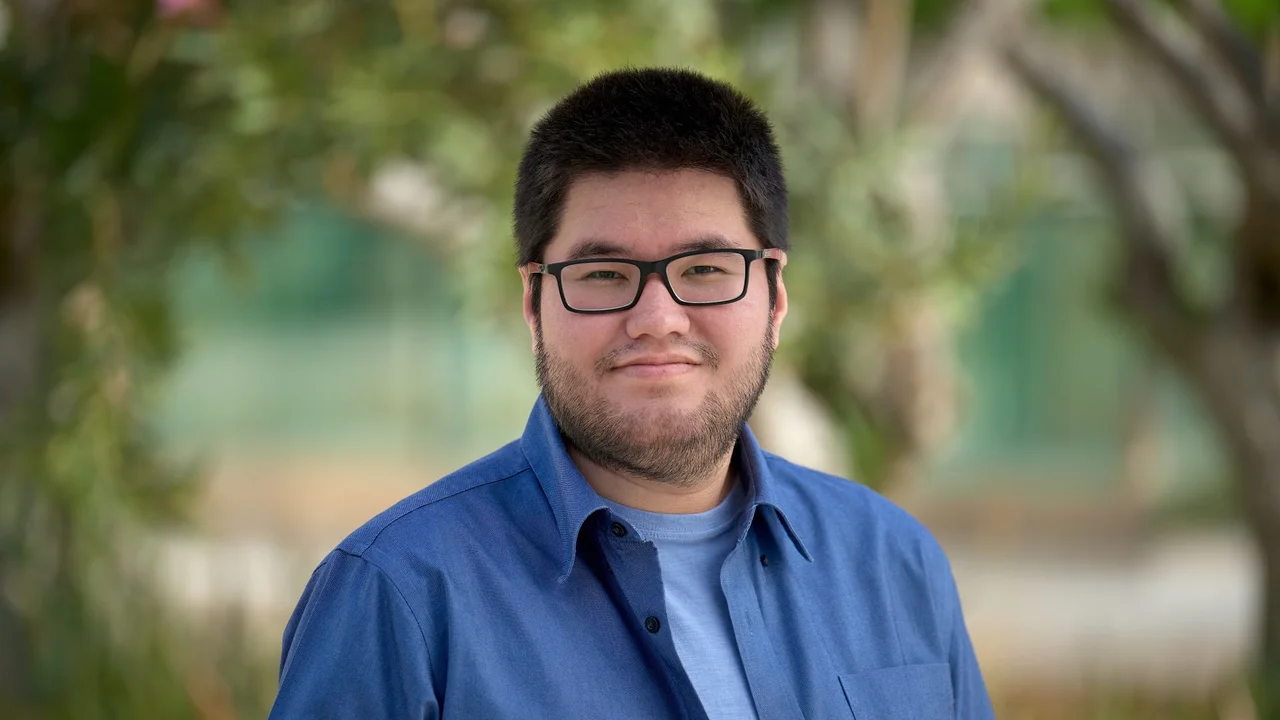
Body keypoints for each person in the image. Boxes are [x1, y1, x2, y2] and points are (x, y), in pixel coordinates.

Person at [269, 67, 994, 720]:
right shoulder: (396, 596)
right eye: (603, 275)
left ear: (775, 296)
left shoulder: (893, 562)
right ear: (533, 304)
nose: (656, 320)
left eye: (705, 270)